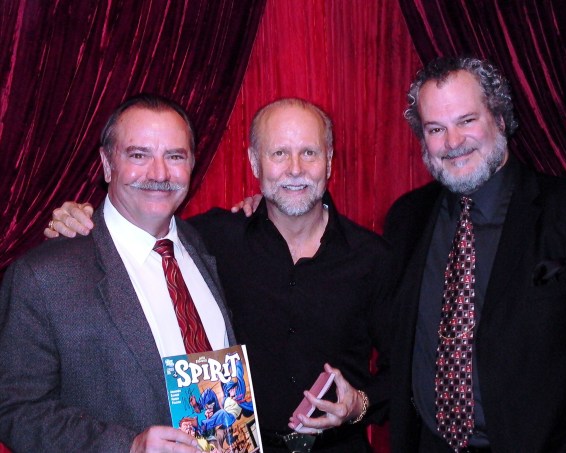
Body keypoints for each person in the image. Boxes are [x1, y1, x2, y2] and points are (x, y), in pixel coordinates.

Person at [43, 98, 395, 452]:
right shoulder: (210, 239)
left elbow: (403, 373)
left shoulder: (372, 258)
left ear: (329, 160)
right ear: (254, 162)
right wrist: (82, 220)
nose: (294, 168)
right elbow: (141, 223)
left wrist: (359, 405)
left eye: (309, 153)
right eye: (279, 154)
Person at [384, 56, 566, 452]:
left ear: (499, 119)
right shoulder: (406, 219)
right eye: (436, 129)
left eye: (467, 121)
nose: (452, 143)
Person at [0, 94, 236, 452]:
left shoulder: (203, 245)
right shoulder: (43, 276)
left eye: (175, 156)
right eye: (139, 155)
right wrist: (127, 446)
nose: (159, 174)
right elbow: (14, 408)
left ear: (192, 164)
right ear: (107, 165)